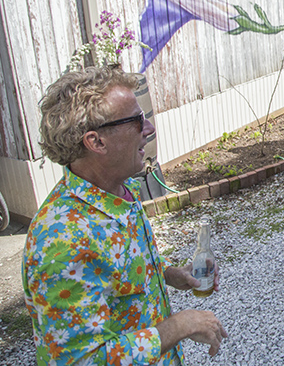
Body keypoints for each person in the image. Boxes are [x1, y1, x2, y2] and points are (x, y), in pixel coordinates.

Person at [24, 67, 228, 364]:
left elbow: (119, 265)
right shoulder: (62, 241)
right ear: (96, 142)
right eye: (135, 121)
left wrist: (172, 274)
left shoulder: (117, 191)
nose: (148, 128)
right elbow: (81, 360)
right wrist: (180, 325)